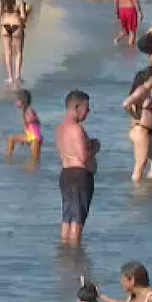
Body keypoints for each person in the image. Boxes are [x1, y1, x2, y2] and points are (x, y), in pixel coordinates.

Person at [55, 90, 97, 245]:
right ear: (77, 107)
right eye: (87, 107)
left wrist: (88, 144)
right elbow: (83, 157)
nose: (88, 111)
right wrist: (95, 148)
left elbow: (64, 151)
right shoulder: (76, 128)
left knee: (67, 219)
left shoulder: (60, 128)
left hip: (66, 174)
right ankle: (74, 256)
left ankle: (65, 253)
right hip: (79, 176)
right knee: (77, 221)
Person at [0, 0, 31, 85]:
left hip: (5, 25)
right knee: (18, 53)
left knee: (8, 52)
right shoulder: (19, 1)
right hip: (16, 25)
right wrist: (23, 23)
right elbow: (23, 16)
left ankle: (10, 77)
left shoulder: (2, 0)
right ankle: (18, 76)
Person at [5, 89, 43, 166]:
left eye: (17, 100)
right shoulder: (25, 110)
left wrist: (31, 119)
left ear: (22, 101)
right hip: (31, 136)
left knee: (34, 161)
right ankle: (8, 157)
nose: (15, 102)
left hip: (35, 138)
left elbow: (34, 121)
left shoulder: (29, 111)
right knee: (10, 138)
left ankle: (8, 159)